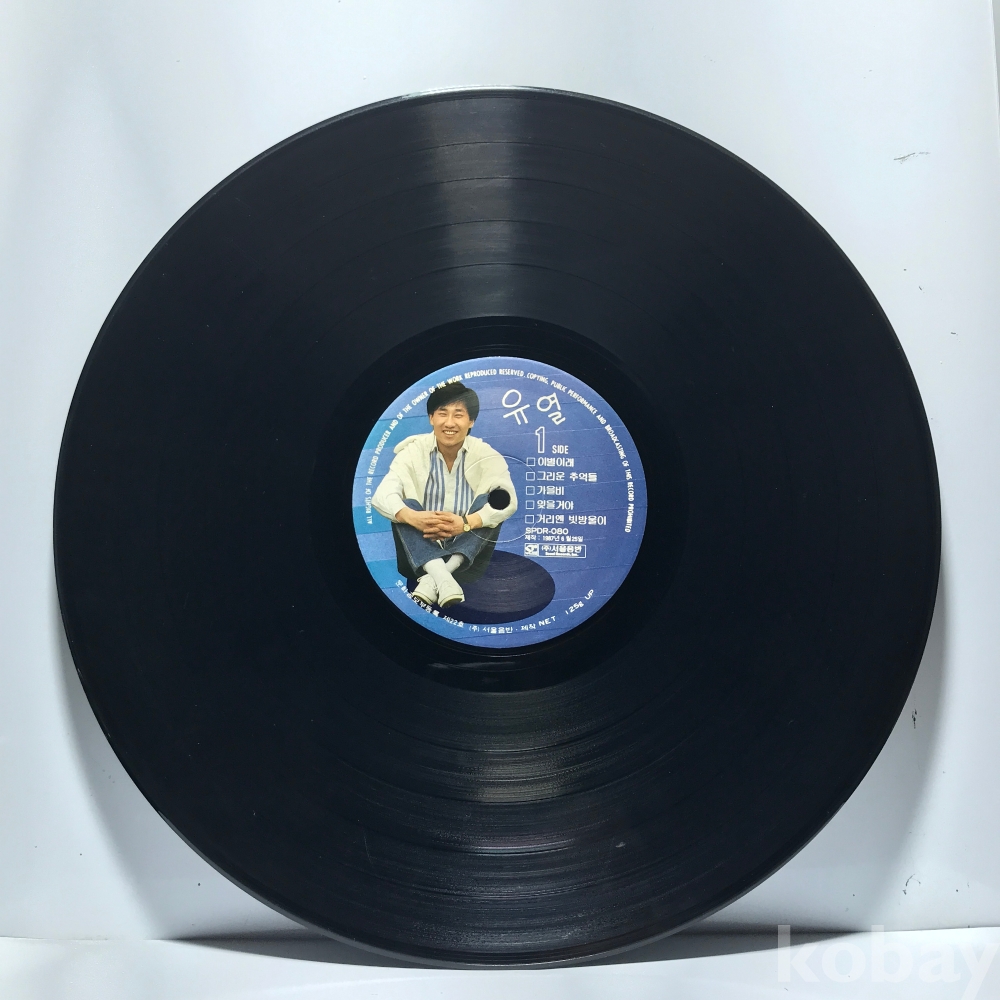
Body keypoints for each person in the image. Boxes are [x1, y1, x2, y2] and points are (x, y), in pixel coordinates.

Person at [371, 382, 517, 608]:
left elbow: (508, 501)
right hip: (417, 554)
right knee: (404, 506)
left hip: (468, 559)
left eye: (458, 415)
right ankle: (442, 576)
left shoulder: (487, 455)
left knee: (491, 504)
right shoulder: (411, 452)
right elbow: (382, 495)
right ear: (431, 418)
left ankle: (437, 578)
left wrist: (466, 523)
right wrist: (412, 517)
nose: (449, 423)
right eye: (442, 413)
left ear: (471, 421)